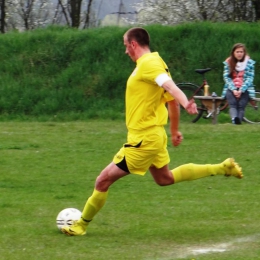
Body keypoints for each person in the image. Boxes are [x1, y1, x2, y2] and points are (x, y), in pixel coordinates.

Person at [61, 27, 243, 236]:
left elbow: (172, 89)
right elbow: (170, 100)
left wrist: (186, 103)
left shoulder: (149, 64)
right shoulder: (154, 63)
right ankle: (223, 167)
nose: (125, 51)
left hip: (143, 139)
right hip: (154, 136)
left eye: (125, 46)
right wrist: (174, 130)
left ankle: (81, 225)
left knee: (102, 180)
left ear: (133, 44)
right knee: (164, 178)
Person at [221, 43, 256, 124]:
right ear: (233, 52)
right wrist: (233, 89)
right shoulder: (228, 63)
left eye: (241, 52)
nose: (239, 54)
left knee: (241, 106)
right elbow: (226, 77)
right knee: (232, 105)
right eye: (237, 52)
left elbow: (250, 78)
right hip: (231, 88)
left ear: (244, 53)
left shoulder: (250, 63)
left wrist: (241, 90)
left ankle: (238, 121)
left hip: (245, 89)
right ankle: (234, 119)